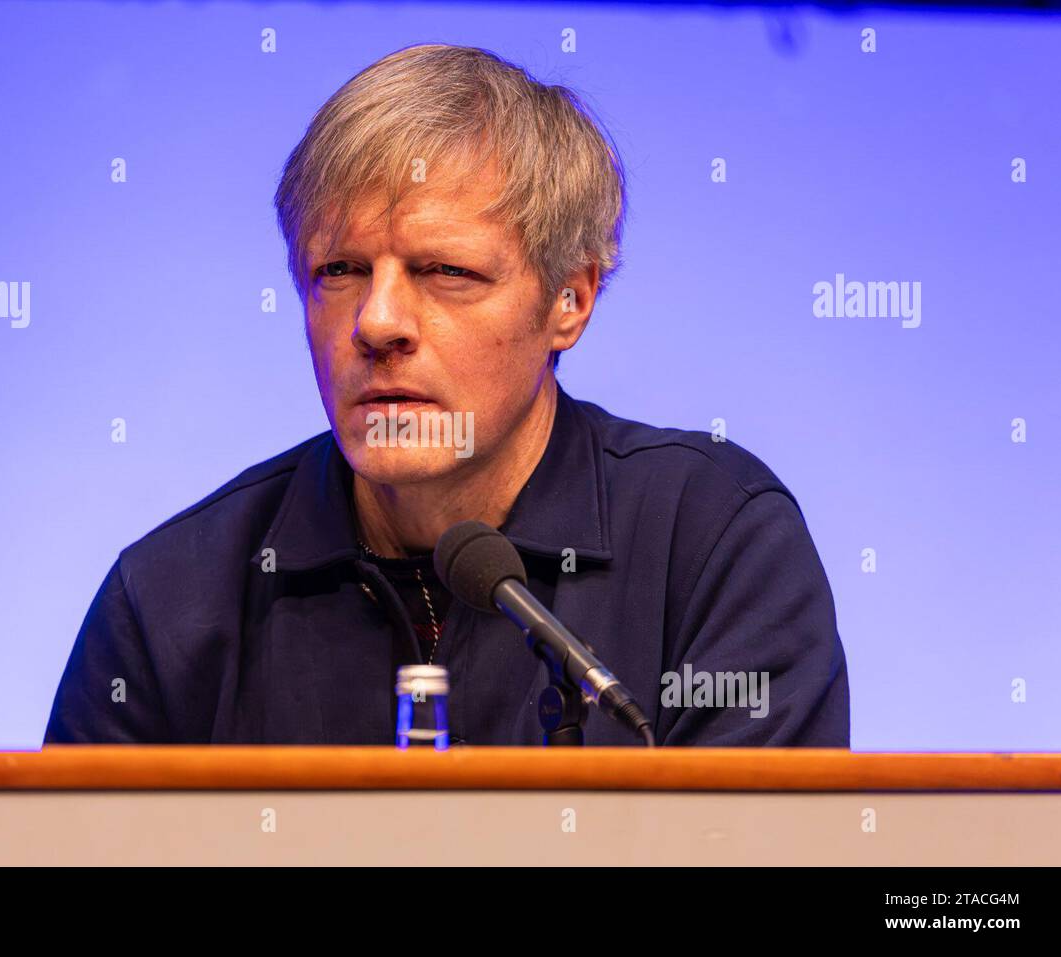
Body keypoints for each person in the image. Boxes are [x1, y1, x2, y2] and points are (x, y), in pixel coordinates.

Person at [45, 43, 849, 746]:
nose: (378, 321)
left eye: (444, 272)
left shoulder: (713, 540)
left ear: (570, 299)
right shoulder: (171, 597)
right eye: (340, 271)